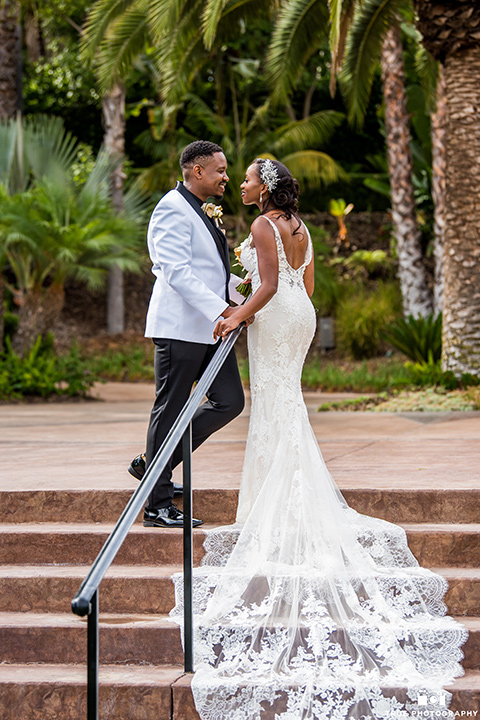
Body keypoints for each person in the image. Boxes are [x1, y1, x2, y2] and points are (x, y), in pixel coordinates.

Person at [170, 158, 467, 719]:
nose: (246, 184)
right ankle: (282, 495)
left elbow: (268, 286)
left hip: (275, 314)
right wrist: (263, 296)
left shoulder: (262, 226)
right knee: (287, 403)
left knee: (273, 407)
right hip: (299, 315)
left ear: (268, 187)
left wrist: (236, 313)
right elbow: (302, 282)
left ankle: (275, 505)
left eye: (252, 178)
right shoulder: (302, 228)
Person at [136, 140, 246, 529]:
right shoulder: (171, 208)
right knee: (169, 409)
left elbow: (209, 271)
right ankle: (157, 505)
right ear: (196, 171)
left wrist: (244, 292)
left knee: (230, 402)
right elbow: (177, 271)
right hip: (180, 328)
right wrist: (224, 310)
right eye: (219, 170)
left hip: (211, 329)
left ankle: (155, 466)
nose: (226, 177)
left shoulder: (206, 212)